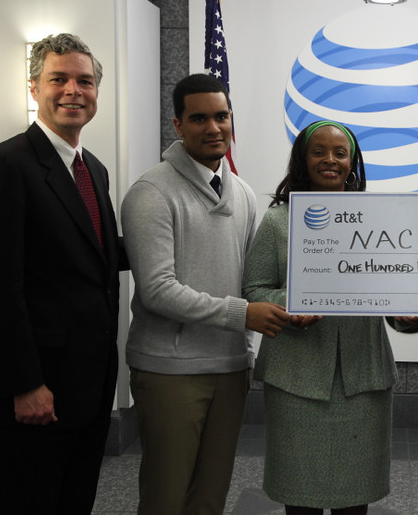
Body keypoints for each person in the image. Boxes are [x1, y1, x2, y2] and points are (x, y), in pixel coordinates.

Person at [120, 73, 290, 514]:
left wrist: (255, 339)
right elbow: (157, 290)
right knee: (166, 497)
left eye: (222, 116)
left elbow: (249, 281)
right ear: (178, 125)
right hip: (170, 372)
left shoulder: (245, 192)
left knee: (210, 497)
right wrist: (242, 315)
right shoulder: (150, 193)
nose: (214, 128)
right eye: (199, 118)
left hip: (230, 367)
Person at [0, 33, 124, 513]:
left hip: (88, 385)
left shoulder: (92, 169)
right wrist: (24, 383)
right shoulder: (2, 165)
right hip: (36, 393)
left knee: (73, 503)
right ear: (34, 88)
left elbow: (93, 258)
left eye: (85, 81)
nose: (73, 91)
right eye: (59, 79)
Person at [243, 121, 397, 515]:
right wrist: (293, 301)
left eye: (340, 153)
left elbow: (396, 289)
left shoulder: (379, 219)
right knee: (300, 499)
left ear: (352, 162)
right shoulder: (279, 222)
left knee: (354, 500)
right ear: (302, 160)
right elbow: (254, 290)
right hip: (296, 379)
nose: (330, 160)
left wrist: (409, 310)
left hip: (364, 377)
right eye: (319, 152)